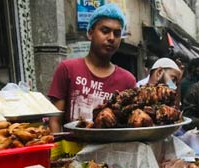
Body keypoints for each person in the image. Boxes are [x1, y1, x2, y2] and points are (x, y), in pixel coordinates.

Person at [47, 4, 136, 132]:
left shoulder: (127, 80)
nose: (111, 38)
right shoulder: (68, 69)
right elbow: (54, 120)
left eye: (117, 34)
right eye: (105, 31)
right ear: (90, 33)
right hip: (72, 151)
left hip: (112, 150)